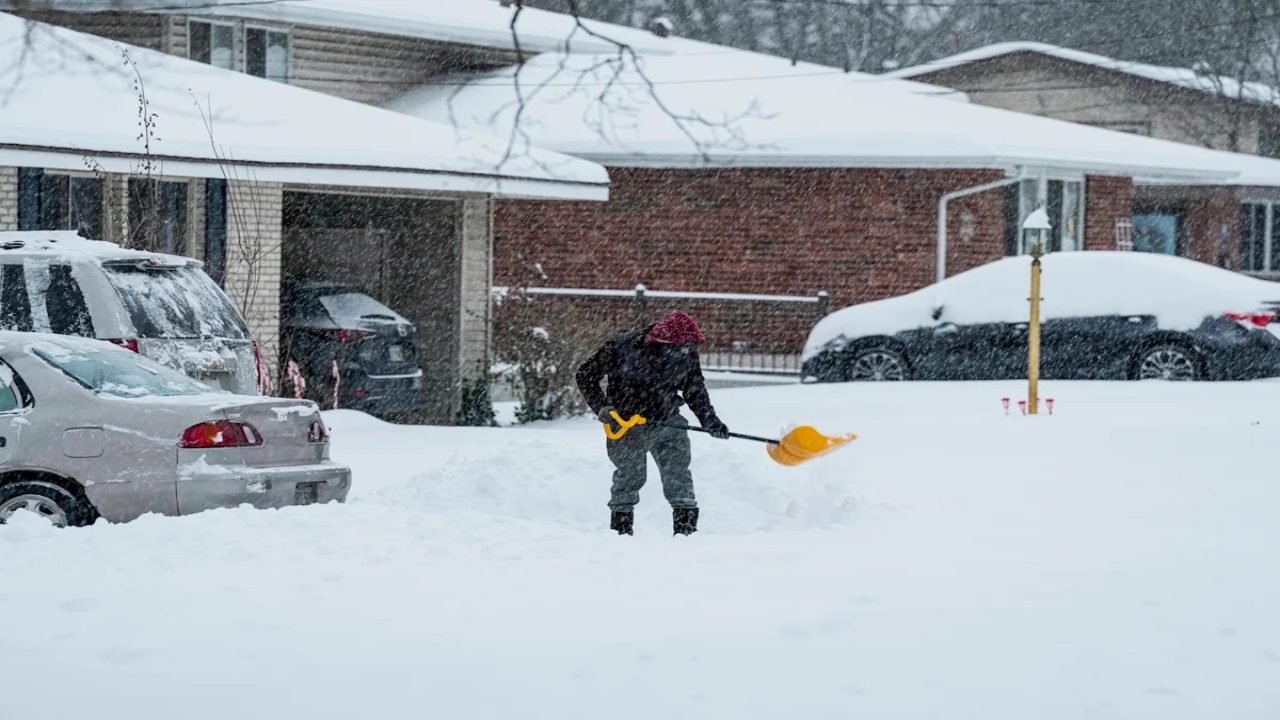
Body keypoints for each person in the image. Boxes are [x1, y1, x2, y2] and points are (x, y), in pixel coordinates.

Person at [575, 310, 730, 536]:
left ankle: (686, 535)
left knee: (679, 477)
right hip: (628, 425)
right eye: (683, 348)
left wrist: (710, 421)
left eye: (691, 348)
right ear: (664, 343)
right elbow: (585, 375)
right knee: (630, 478)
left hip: (669, 421)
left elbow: (695, 390)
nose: (687, 352)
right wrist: (601, 407)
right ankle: (620, 535)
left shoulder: (686, 354)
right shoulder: (621, 348)